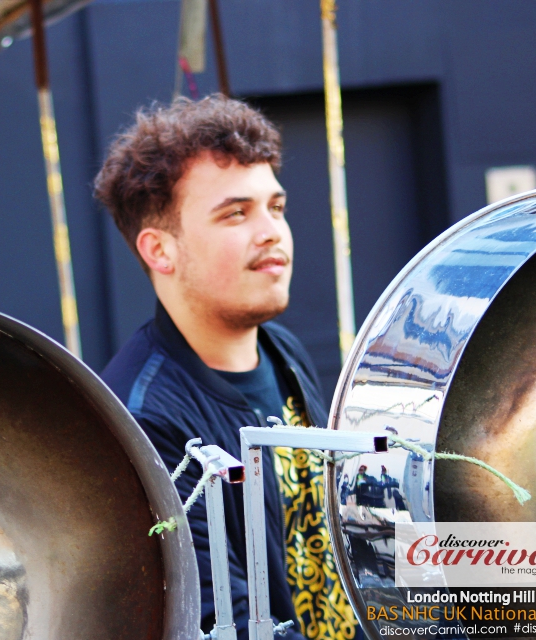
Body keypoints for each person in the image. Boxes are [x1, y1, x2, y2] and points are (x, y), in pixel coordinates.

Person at [96, 95, 358, 639]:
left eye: (276, 208)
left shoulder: (282, 350)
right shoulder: (143, 422)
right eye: (236, 213)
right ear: (160, 251)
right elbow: (227, 623)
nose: (272, 232)